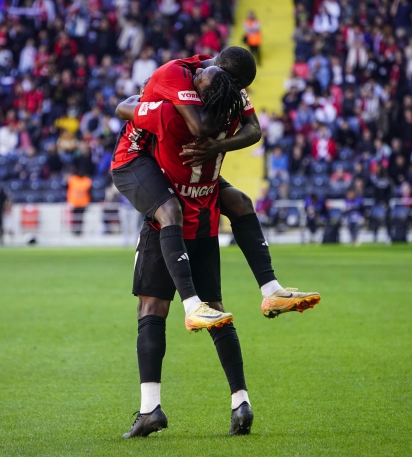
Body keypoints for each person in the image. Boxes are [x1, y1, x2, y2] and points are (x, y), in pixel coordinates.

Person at [112, 47, 320, 328]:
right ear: (226, 78)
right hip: (142, 157)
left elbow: (255, 129)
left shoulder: (221, 82)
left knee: (240, 202)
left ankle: (271, 290)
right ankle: (192, 305)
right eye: (235, 88)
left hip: (178, 154)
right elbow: (197, 126)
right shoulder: (177, 78)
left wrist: (220, 144)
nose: (238, 95)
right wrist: (218, 134)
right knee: (170, 210)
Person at [116, 76, 255, 438]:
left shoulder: (168, 116)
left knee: (151, 309)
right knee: (217, 310)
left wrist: (148, 99)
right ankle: (241, 401)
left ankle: (150, 409)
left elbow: (126, 109)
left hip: (168, 223)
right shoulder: (226, 119)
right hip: (205, 213)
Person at [67, 168, 92, 235]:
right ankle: (74, 230)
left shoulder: (87, 180)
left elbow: (89, 192)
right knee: (75, 217)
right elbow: (67, 189)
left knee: (81, 218)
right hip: (74, 202)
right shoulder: (72, 179)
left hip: (83, 203)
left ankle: (79, 231)